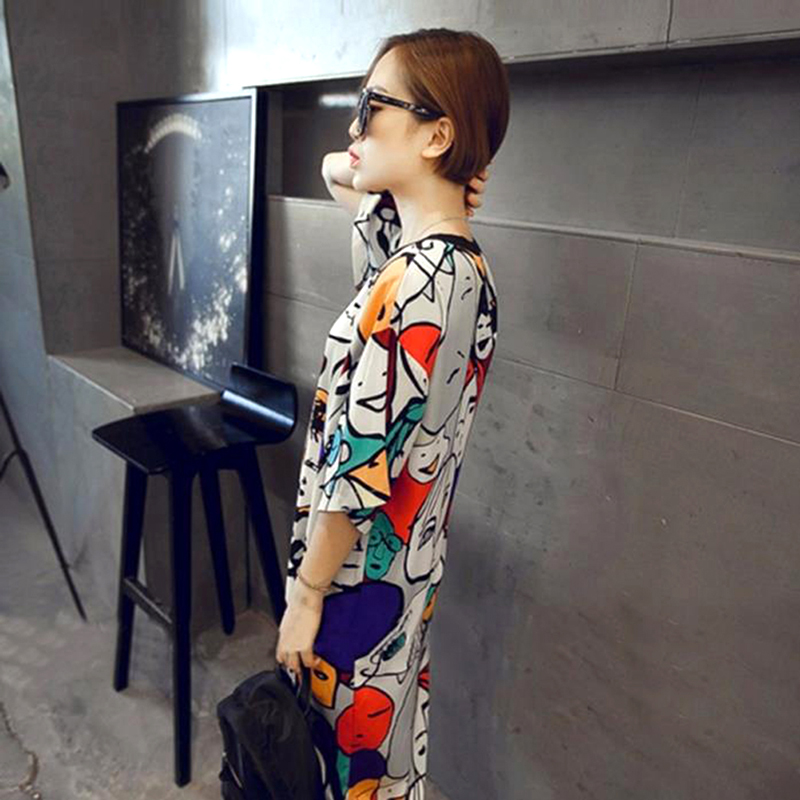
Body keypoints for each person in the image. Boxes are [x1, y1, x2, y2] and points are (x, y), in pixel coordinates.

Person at [275, 27, 509, 799]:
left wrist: (306, 597)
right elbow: (335, 169)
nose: (355, 124)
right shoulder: (449, 266)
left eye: (372, 105)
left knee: (350, 773)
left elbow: (357, 473)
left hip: (352, 591)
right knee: (380, 764)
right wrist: (437, 163)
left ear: (436, 133)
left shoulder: (414, 288)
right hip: (398, 584)